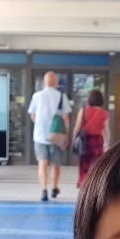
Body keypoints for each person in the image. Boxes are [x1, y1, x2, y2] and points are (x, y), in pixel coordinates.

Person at [28, 71, 71, 201]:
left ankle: (43, 190)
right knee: (55, 164)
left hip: (39, 135)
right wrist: (65, 134)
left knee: (42, 163)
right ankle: (54, 187)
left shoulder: (37, 96)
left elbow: (32, 115)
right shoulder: (61, 96)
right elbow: (66, 117)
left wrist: (40, 125)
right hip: (56, 136)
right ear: (56, 83)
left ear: (44, 82)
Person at [73, 89, 110, 187]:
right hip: (98, 142)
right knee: (96, 165)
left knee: (84, 164)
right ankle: (94, 185)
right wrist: (106, 143)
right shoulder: (104, 113)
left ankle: (83, 184)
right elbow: (106, 130)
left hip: (85, 141)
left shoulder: (83, 111)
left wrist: (74, 139)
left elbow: (77, 127)